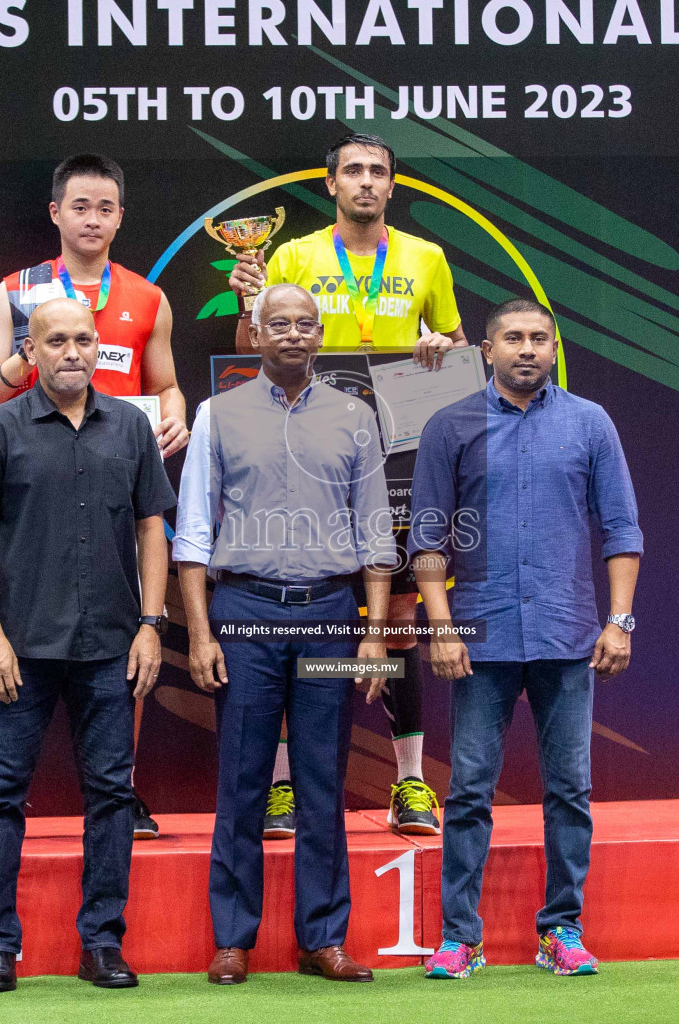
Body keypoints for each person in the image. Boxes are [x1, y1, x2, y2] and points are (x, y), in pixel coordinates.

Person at [227, 133, 463, 838]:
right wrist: (248, 310)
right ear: (330, 184)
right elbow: (250, 348)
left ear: (393, 186)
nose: (366, 182)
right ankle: (280, 790)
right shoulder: (293, 255)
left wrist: (441, 349)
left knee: (396, 626)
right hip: (305, 452)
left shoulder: (426, 258)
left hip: (395, 458)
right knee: (285, 626)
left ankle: (411, 785)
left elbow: (453, 347)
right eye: (353, 172)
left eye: (378, 173)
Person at [408, 298, 642, 980]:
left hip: (568, 638)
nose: (527, 349)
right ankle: (461, 938)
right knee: (471, 791)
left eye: (539, 337)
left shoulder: (589, 423)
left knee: (570, 789)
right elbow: (426, 539)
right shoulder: (450, 425)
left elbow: (622, 528)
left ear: (555, 345)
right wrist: (441, 630)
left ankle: (560, 930)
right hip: (479, 641)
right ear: (486, 349)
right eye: (513, 338)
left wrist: (619, 620)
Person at [0, 297, 177, 993]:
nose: (73, 350)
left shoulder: (131, 429)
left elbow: (151, 531)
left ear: (98, 346)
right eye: (57, 340)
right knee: (2, 797)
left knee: (112, 795)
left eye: (84, 338)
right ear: (33, 350)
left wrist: (150, 624)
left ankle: (102, 944)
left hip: (111, 646)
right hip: (19, 649)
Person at [174, 283, 395, 985]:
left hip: (332, 617)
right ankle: (233, 939)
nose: (294, 335)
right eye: (280, 324)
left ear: (320, 333)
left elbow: (375, 534)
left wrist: (374, 635)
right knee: (242, 781)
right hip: (243, 614)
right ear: (257, 333)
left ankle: (323, 939)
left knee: (324, 781)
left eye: (305, 324)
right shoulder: (217, 413)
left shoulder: (356, 416)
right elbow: (194, 535)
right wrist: (201, 634)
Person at [0, 153, 188, 841]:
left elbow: (166, 384)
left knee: (124, 642)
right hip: (35, 480)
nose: (92, 219)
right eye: (80, 206)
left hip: (117, 481)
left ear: (120, 216)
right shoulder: (20, 289)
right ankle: (1, 801)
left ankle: (122, 791)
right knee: (19, 636)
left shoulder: (147, 297)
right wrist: (27, 357)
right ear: (57, 212)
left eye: (106, 208)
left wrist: (176, 411)